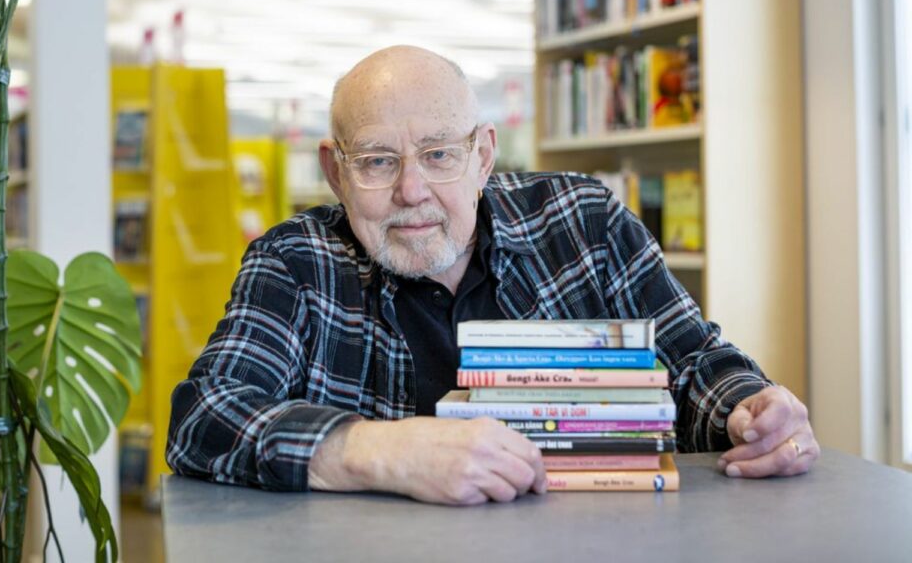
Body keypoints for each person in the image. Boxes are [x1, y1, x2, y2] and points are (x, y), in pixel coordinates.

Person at [167, 46, 818, 505]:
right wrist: (382, 451)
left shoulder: (584, 223)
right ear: (336, 173)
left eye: (438, 154)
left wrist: (752, 411)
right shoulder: (295, 261)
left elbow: (695, 365)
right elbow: (204, 416)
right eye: (377, 161)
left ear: (482, 156)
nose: (411, 191)